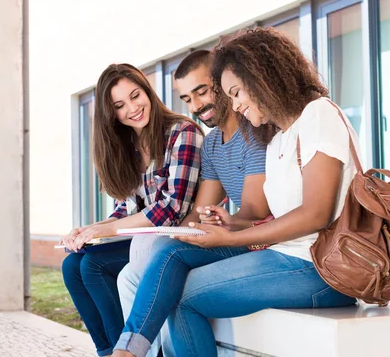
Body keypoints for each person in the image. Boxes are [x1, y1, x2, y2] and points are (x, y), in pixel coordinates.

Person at [112, 28, 359, 357]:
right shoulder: (281, 136)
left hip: (321, 268)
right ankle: (127, 350)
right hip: (288, 255)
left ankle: (127, 352)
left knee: (181, 297)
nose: (236, 104)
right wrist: (230, 224)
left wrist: (228, 238)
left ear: (264, 79)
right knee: (172, 258)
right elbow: (271, 217)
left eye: (237, 92)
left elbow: (316, 214)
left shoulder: (319, 114)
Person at [116, 50, 273, 357]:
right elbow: (198, 212)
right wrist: (186, 228)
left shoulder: (254, 131)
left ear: (222, 83)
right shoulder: (213, 142)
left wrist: (219, 222)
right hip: (231, 234)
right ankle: (134, 350)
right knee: (137, 269)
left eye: (201, 92)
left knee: (169, 260)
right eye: (187, 98)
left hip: (258, 241)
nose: (196, 106)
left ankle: (127, 351)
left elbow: (255, 214)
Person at [60, 63, 204, 357]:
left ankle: (123, 353)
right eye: (120, 105)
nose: (132, 108)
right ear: (110, 113)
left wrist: (108, 229)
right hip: (141, 239)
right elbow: (124, 210)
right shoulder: (129, 145)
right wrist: (88, 231)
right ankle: (107, 351)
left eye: (136, 96)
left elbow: (172, 208)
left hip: (172, 239)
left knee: (93, 266)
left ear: (147, 91)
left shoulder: (182, 132)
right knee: (72, 266)